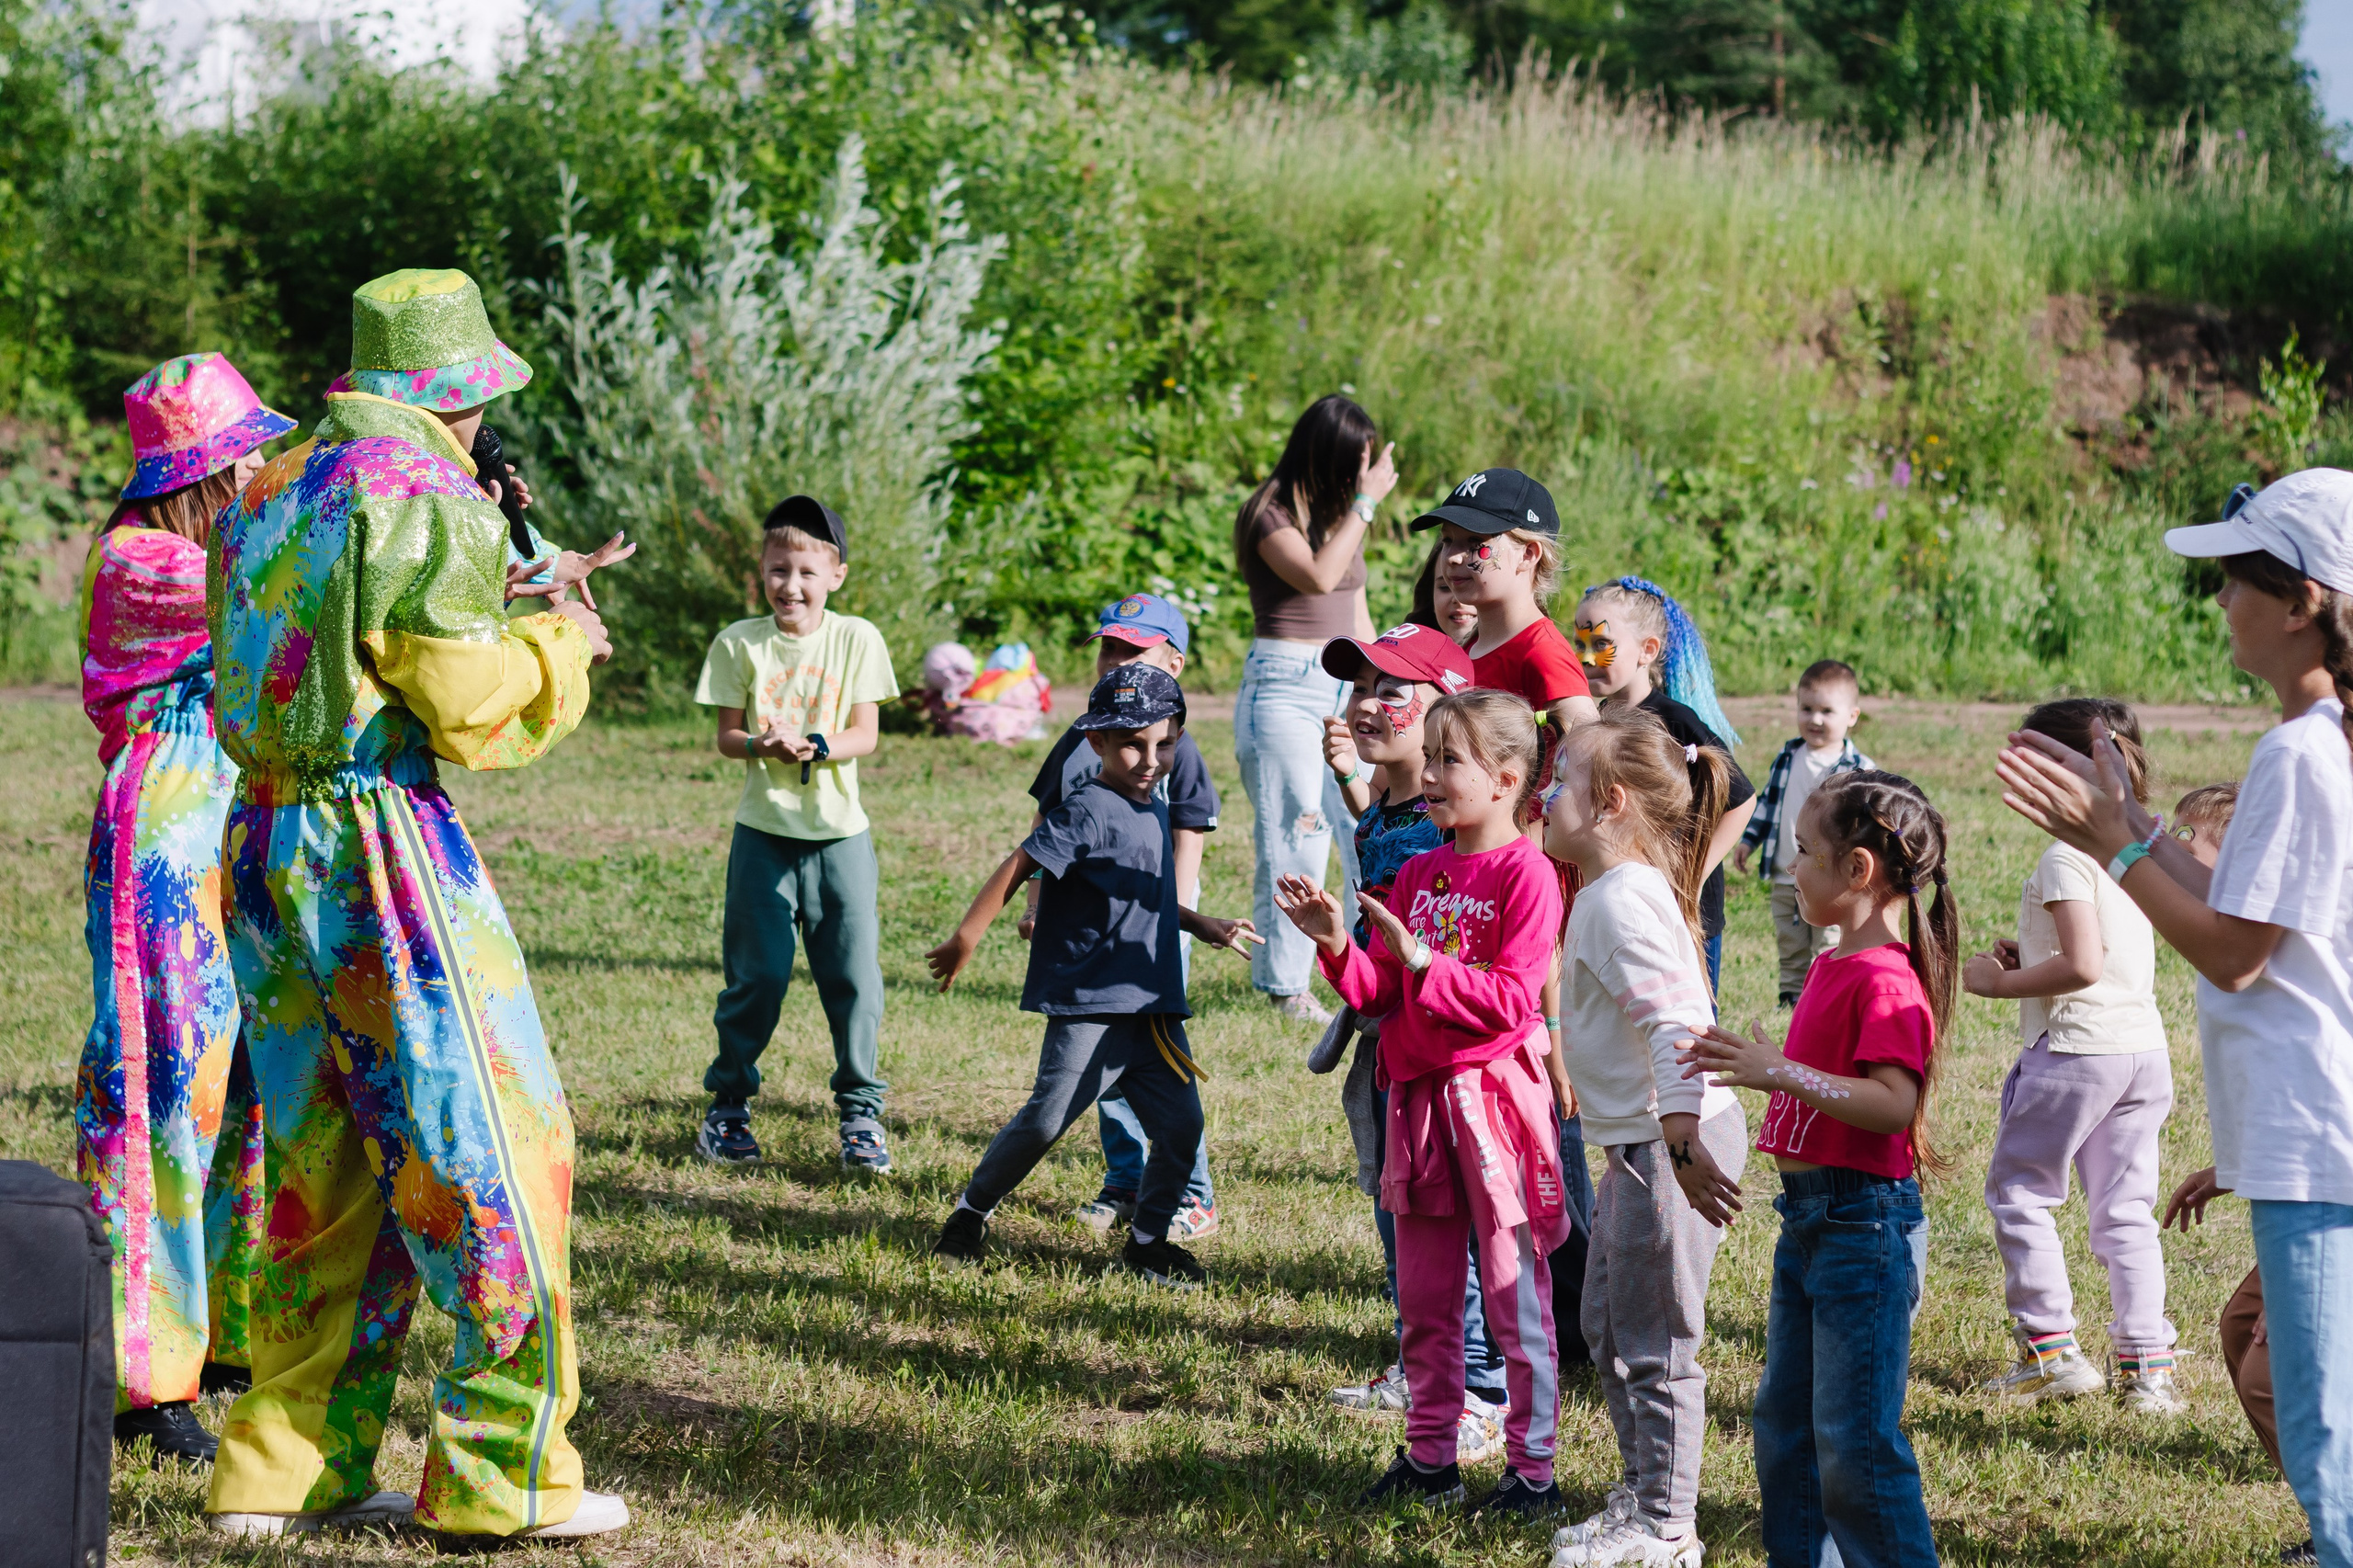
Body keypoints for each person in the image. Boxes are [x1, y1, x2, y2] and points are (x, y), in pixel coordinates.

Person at [205, 268, 625, 1540]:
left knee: (321, 1159)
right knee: (491, 1141)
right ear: (459, 394)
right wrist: (562, 647)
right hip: (377, 844)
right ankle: (504, 1475)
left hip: (261, 837)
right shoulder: (420, 488)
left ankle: (283, 1468)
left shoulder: (270, 485)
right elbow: (462, 701)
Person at [1994, 469, 2353, 1568]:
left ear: (2300, 603)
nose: (2220, 601)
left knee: (2328, 1434)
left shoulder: (2300, 752)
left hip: (2313, 1134)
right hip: (2310, 1129)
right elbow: (2242, 909)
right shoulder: (2315, 740)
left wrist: (2111, 843)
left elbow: (2234, 956)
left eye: (2235, 580)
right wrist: (2138, 826)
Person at [1278, 689, 1570, 1521]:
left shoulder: (1528, 874)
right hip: (1417, 1106)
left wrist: (1422, 962)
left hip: (1493, 1108)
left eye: (1450, 761)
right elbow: (1379, 991)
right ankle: (1431, 1460)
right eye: (1430, 757)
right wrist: (1337, 944)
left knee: (1513, 1296)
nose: (1430, 776)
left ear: (1506, 779)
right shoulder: (1416, 874)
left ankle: (1533, 1476)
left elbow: (1511, 1000)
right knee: (1426, 1299)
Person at [76, 352, 286, 1465]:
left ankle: (227, 1331)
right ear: (199, 475)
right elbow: (280, 591)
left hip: (234, 809)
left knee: (244, 1082)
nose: (255, 475)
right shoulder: (144, 558)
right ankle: (140, 1372)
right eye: (242, 457)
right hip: (164, 821)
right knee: (163, 1083)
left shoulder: (207, 545)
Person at [1684, 769, 1956, 1568]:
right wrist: (1774, 1063)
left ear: (1857, 871)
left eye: (1803, 851)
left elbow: (1893, 1104)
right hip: (1810, 1220)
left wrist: (1779, 1071)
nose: (1789, 866)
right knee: (1787, 1427)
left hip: (1861, 1226)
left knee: (1854, 1445)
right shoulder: (1837, 962)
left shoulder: (1886, 978)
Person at [924, 666, 1259, 1285]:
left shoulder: (1154, 807)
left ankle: (1147, 1243)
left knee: (1182, 1129)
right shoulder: (1087, 809)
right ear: (1096, 741)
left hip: (1153, 1011)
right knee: (1045, 1121)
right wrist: (966, 936)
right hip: (1093, 1008)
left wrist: (1199, 922)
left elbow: (1147, 895)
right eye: (1133, 744)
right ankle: (970, 1215)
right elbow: (1021, 863)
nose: (1150, 760)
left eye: (1165, 744)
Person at [1544, 707, 1745, 1568]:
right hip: (1646, 1145)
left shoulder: (1620, 900)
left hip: (1672, 1146)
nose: (1545, 798)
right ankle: (1640, 1494)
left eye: (1561, 783)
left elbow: (1676, 1026)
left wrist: (1682, 1146)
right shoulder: (1611, 890)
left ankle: (1667, 1527)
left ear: (1610, 803)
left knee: (1656, 1342)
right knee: (1608, 1323)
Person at [1414, 468, 1599, 1360]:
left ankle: (1578, 1318)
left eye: (1475, 543)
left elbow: (1593, 746)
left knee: (1547, 1118)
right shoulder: (1472, 647)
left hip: (1529, 908)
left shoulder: (1540, 652)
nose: (1456, 557)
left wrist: (1539, 824)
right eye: (1448, 541)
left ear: (1529, 555)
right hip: (1472, 899)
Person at [1311, 625, 1508, 1466]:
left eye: (1391, 691)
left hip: (1441, 1051)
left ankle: (1480, 1390)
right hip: (1388, 1034)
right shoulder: (1394, 810)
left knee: (1444, 1221)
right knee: (1399, 1212)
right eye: (1360, 688)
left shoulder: (1446, 828)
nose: (1366, 704)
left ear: (1445, 713)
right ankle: (1426, 1368)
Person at [1963, 699, 2180, 1413]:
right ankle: (2147, 1370)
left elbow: (2082, 965)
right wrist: (2032, 955)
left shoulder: (2063, 857)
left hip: (2075, 1056)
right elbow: (2106, 953)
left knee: (2021, 1195)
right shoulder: (2133, 850)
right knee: (2126, 1213)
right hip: (2141, 1052)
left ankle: (2050, 1352)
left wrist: (1998, 983)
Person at [692, 495, 900, 1176]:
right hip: (764, 836)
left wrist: (816, 744)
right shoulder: (738, 642)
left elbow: (865, 734)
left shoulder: (858, 638)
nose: (792, 585)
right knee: (757, 978)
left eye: (808, 572)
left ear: (836, 575)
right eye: (779, 569)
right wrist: (763, 743)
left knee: (854, 980)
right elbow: (728, 737)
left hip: (842, 840)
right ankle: (727, 1108)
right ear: (762, 571)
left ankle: (861, 1115)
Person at [1018, 594, 1222, 1241]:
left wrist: (1173, 916)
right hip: (1092, 933)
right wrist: (1035, 904)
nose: (1116, 661)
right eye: (1109, 649)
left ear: (1174, 663)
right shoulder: (1084, 738)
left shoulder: (1173, 746)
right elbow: (1045, 825)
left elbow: (1190, 832)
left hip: (1154, 930)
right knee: (1103, 1063)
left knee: (1164, 1067)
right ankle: (1125, 1179)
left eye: (1134, 651)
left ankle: (1191, 1194)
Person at [1233, 394, 1392, 1026]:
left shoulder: (1337, 520)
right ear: (1326, 455)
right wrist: (1366, 505)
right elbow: (1319, 579)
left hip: (1340, 684)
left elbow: (1355, 609)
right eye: (1356, 460)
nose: (1363, 473)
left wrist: (1383, 680)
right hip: (1284, 687)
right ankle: (1286, 986)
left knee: (1364, 826)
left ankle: (1366, 968)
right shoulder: (1268, 513)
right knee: (1297, 834)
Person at [1572, 578, 1756, 994]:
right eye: (1580, 643)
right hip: (1629, 899)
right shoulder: (1597, 718)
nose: (1587, 657)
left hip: (1685, 907)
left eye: (1601, 643)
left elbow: (1741, 800)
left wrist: (1692, 878)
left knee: (1690, 1014)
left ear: (1648, 650)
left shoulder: (1676, 719)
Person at [1736, 660, 1875, 1006]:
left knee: (1828, 940)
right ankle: (1790, 997)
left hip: (1832, 878)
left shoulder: (1859, 770)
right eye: (1807, 709)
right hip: (1787, 872)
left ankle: (1822, 1000)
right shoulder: (1788, 756)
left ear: (1852, 716)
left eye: (1827, 711)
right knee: (1790, 938)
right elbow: (1768, 803)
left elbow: (1868, 829)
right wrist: (1749, 841)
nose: (1815, 719)